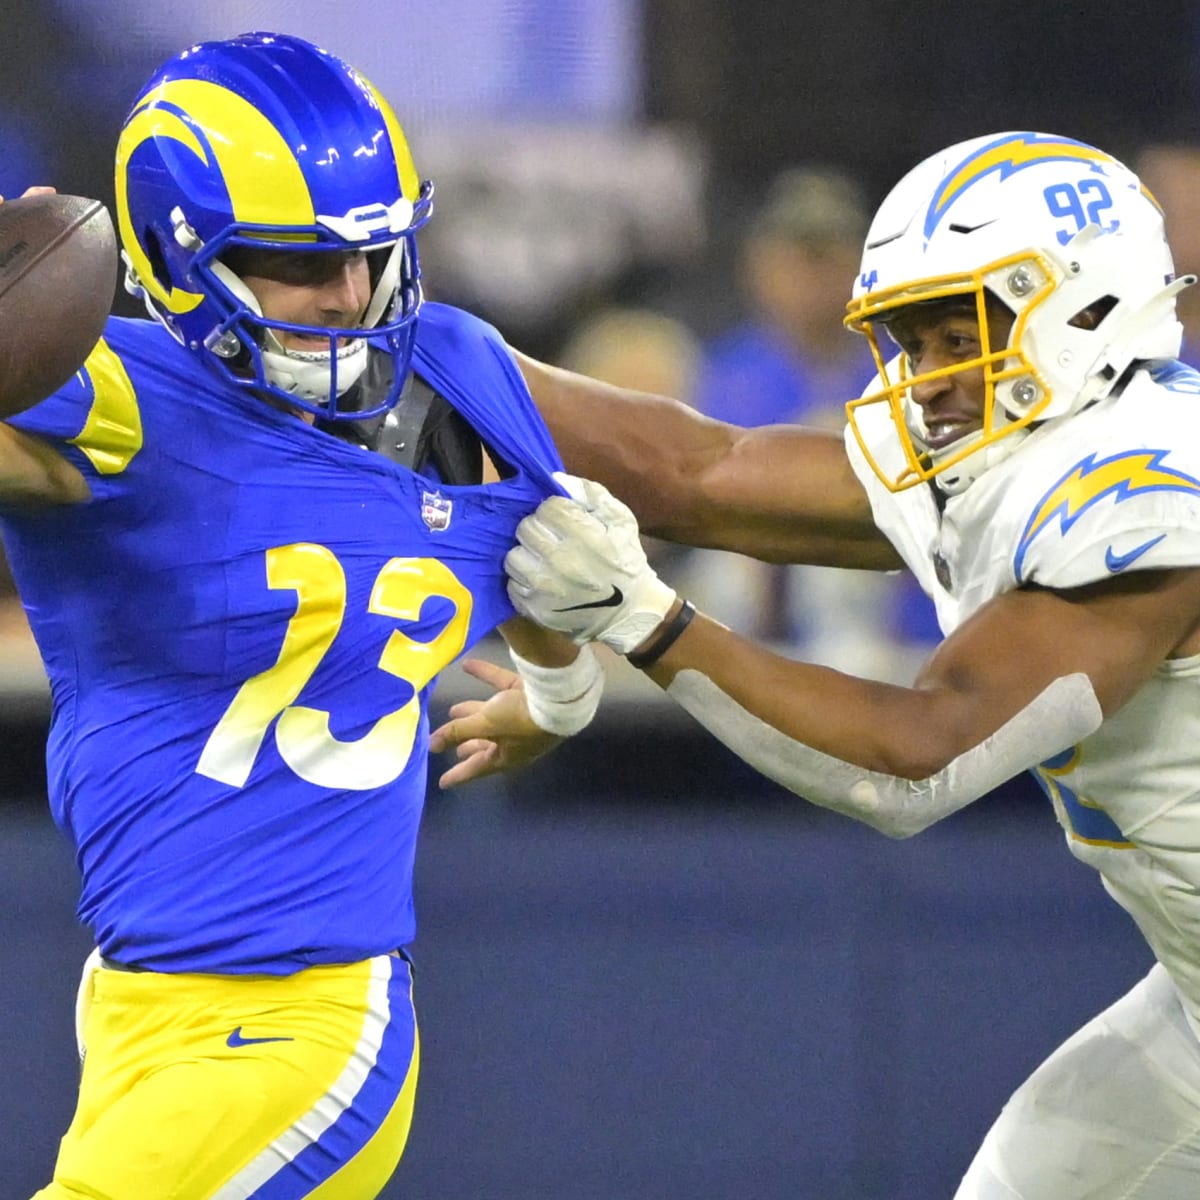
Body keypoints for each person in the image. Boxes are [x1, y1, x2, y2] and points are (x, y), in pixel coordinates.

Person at [434, 131, 1200, 1196]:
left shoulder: (1152, 494)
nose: (929, 381)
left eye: (956, 333)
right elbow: (704, 473)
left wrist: (651, 624)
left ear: (1081, 302)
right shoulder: (1044, 440)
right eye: (912, 342)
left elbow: (915, 762)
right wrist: (422, 344)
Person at [1, 31, 598, 1200]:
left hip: (307, 1020)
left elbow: (547, 557)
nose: (350, 294)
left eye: (373, 255)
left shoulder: (460, 378)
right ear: (180, 263)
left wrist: (565, 700)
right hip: (133, 1003)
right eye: (297, 261)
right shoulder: (125, 396)